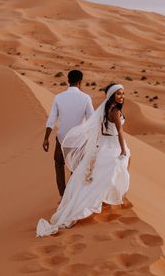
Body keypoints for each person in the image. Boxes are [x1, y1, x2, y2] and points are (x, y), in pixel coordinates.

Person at [37, 83, 130, 237]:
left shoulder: (106, 110)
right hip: (112, 144)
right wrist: (122, 149)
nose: (122, 96)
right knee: (113, 169)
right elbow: (119, 132)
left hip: (105, 143)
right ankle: (110, 197)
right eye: (119, 93)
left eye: (123, 93)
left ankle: (110, 196)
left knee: (105, 172)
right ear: (112, 95)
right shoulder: (115, 112)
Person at [43, 69, 94, 199]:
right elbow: (92, 120)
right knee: (75, 168)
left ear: (68, 81)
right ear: (80, 82)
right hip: (79, 140)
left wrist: (46, 139)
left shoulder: (58, 97)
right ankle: (71, 196)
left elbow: (51, 120)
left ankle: (62, 194)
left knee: (59, 164)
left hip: (62, 139)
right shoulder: (85, 98)